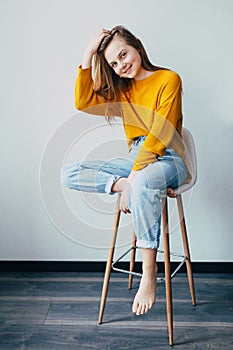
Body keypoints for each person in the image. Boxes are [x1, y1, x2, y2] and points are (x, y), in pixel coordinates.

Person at [62, 25, 188, 316]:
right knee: (68, 172)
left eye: (124, 54)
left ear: (137, 47)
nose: (122, 65)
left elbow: (160, 135)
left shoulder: (168, 79)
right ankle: (129, 186)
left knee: (142, 179)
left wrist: (137, 176)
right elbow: (82, 102)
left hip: (168, 157)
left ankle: (148, 273)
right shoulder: (124, 90)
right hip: (135, 161)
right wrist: (88, 53)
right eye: (114, 63)